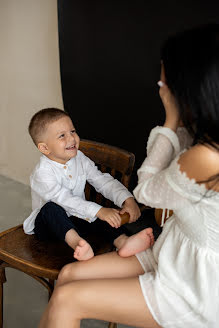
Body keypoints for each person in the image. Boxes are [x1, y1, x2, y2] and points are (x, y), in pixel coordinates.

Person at [38, 24, 219, 328]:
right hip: (174, 251)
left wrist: (170, 120)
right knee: (68, 276)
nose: (160, 84)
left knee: (67, 300)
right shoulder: (203, 138)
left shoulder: (206, 156)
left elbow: (146, 191)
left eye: (165, 79)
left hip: (196, 285)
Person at [23, 108, 154, 261]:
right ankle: (79, 244)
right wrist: (98, 210)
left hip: (77, 217)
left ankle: (123, 241)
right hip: (48, 228)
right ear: (45, 148)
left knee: (102, 217)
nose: (71, 138)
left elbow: (102, 181)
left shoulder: (79, 158)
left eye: (72, 131)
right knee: (52, 208)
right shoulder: (42, 173)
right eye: (62, 136)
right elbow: (64, 199)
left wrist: (127, 200)